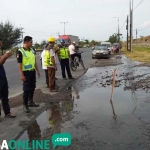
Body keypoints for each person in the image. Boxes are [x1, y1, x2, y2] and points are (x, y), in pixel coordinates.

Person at [17, 36, 40, 113]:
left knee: (32, 87)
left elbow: (34, 61)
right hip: (25, 73)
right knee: (26, 89)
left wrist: (38, 70)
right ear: (26, 42)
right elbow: (19, 64)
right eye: (31, 42)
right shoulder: (20, 51)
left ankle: (31, 102)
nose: (32, 43)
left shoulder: (32, 50)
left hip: (32, 71)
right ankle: (25, 104)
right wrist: (21, 74)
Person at [0, 38, 16, 121]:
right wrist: (4, 57)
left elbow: (1, 62)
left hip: (2, 77)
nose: (1, 45)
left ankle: (7, 112)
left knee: (5, 96)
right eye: (0, 44)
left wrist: (5, 57)